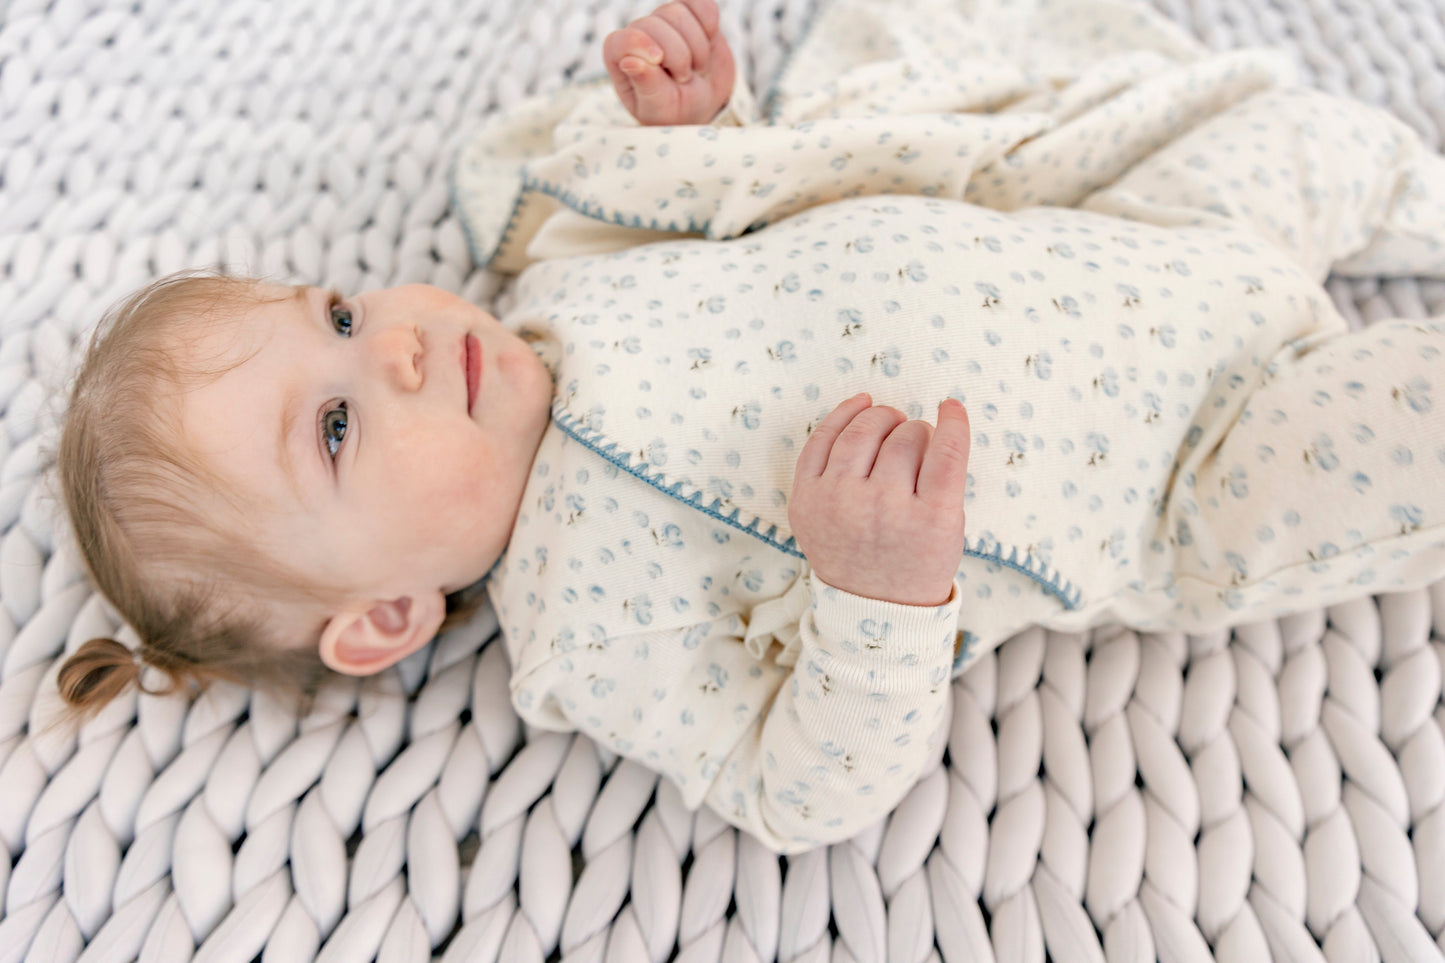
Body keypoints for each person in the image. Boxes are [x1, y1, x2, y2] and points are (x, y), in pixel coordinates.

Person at [51, 0, 1445, 852]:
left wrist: (697, 120)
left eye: (343, 312)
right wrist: (874, 594)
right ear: (382, 617)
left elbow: (737, 202)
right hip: (1184, 469)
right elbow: (796, 788)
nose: (400, 338)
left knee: (1318, 137)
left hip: (1131, 233)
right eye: (340, 427)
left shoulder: (557, 277)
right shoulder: (585, 626)